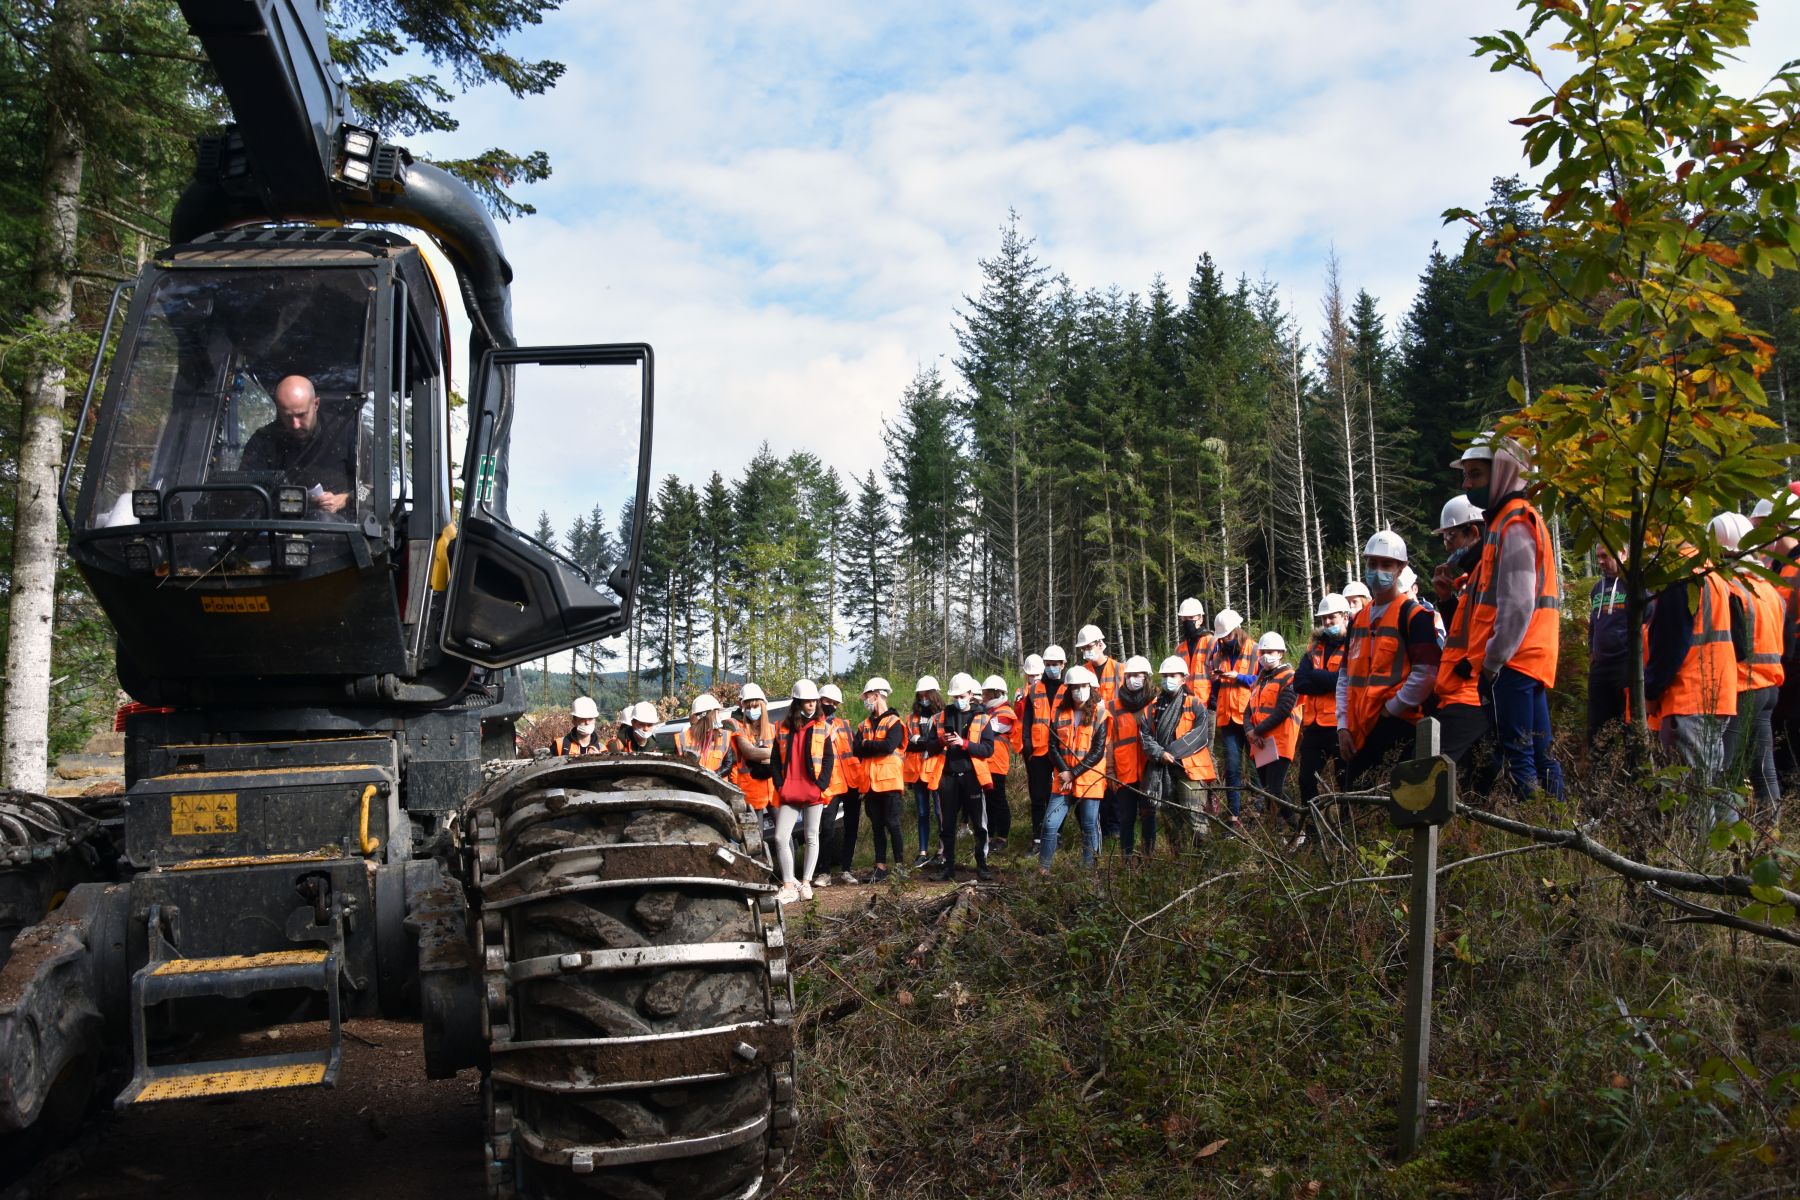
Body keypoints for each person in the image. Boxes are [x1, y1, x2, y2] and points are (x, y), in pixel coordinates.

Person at [1449, 435, 1561, 800]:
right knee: (1540, 753)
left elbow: (1516, 605)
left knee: (1518, 755)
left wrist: (1493, 661)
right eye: (1465, 477)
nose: (1467, 485)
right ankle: (1561, 825)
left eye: (1475, 476)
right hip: (1529, 657)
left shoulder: (1513, 525)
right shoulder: (1507, 521)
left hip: (1513, 660)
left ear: (1501, 474)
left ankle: (1537, 834)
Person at [1337, 530, 1444, 789]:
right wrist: (1342, 726)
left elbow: (1426, 674)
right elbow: (1344, 677)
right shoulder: (1358, 619)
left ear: (1401, 568)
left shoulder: (1415, 616)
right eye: (1372, 564)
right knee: (1355, 809)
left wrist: (1390, 709)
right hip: (1359, 730)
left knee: (1398, 807)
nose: (1378, 571)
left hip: (1399, 727)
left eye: (1386, 565)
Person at [1645, 539, 1740, 820]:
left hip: (1689, 696)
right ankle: (1729, 856)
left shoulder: (1681, 572)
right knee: (1709, 786)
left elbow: (1670, 643)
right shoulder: (1715, 572)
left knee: (1691, 797)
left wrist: (1651, 691)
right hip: (1718, 694)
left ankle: (1700, 862)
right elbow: (1741, 642)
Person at [1712, 512, 1783, 809]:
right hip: (1769, 688)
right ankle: (1771, 836)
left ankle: (1723, 844)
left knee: (1725, 770)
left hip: (1743, 688)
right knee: (1763, 767)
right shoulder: (1768, 587)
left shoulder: (1730, 589)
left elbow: (1732, 646)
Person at [238, 375, 359, 518]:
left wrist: (345, 499)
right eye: (287, 416)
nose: (295, 425)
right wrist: (300, 502)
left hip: (341, 533)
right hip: (276, 531)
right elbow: (246, 495)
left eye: (301, 415)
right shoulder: (264, 440)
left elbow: (372, 488)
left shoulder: (349, 432)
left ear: (316, 404)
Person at [922, 674, 997, 880]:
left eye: (961, 696)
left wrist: (964, 744)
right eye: (954, 696)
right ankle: (948, 867)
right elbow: (928, 746)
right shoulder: (941, 717)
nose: (957, 700)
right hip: (948, 777)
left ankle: (982, 865)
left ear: (971, 694)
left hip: (972, 777)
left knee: (979, 824)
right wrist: (942, 742)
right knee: (947, 825)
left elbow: (988, 749)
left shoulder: (982, 718)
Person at [769, 680, 836, 904]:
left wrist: (820, 785)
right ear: (797, 702)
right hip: (789, 790)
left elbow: (828, 759)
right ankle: (788, 885)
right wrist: (780, 784)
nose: (811, 704)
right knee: (780, 837)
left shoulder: (823, 727)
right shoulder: (782, 728)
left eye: (813, 701)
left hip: (813, 790)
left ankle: (806, 883)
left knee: (811, 836)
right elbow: (775, 760)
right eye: (806, 701)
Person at [1140, 656, 1217, 845]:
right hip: (1163, 771)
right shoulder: (1152, 707)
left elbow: (1200, 736)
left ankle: (1203, 860)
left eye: (1173, 675)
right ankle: (1179, 864)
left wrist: (1170, 753)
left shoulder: (1195, 704)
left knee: (1195, 817)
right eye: (1165, 676)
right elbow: (1145, 735)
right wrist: (1159, 754)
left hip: (1190, 771)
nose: (1168, 680)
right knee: (1171, 820)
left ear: (1184, 678)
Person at [1041, 665, 1107, 872]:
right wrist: (1064, 771)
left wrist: (1074, 773)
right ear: (1068, 689)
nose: (1079, 690)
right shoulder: (1060, 712)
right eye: (1075, 687)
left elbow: (1098, 751)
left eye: (1083, 686)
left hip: (1089, 779)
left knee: (1089, 826)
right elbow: (1052, 747)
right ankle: (1043, 870)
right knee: (1050, 825)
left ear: (1090, 687)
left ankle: (1089, 872)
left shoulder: (1100, 713)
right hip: (1063, 778)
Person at [1294, 595, 1349, 829]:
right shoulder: (1315, 647)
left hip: (1340, 725)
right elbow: (1299, 682)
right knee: (1306, 780)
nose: (1327, 622)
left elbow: (1347, 680)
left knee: (1345, 781)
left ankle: (1349, 828)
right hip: (1314, 726)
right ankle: (1314, 831)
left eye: (1332, 617)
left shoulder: (1353, 644)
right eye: (1324, 618)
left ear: (1345, 617)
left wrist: (1317, 677)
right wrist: (1326, 681)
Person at [1244, 632, 1301, 843]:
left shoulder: (1290, 677)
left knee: (1275, 789)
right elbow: (1248, 710)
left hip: (1280, 741)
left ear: (1281, 653)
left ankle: (1298, 829)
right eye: (1263, 652)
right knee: (1268, 791)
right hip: (1260, 744)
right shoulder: (1259, 679)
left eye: (1270, 652)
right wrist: (1249, 731)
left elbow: (1284, 709)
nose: (1266, 656)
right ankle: (1277, 836)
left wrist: (1255, 731)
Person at [853, 677, 907, 882]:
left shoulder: (894, 722)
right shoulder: (864, 724)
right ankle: (880, 867)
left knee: (893, 824)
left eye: (867, 696)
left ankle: (900, 866)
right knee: (877, 826)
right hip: (870, 783)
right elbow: (856, 748)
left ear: (876, 695)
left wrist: (867, 744)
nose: (865, 700)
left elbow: (888, 746)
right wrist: (869, 744)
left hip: (889, 782)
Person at [1207, 609, 1255, 828]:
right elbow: (1215, 688)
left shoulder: (1255, 650)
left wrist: (1240, 677)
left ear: (1237, 630)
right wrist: (1215, 679)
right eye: (1221, 637)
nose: (1224, 640)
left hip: (1252, 717)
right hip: (1227, 719)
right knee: (1232, 769)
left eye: (1227, 635)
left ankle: (1258, 812)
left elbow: (1263, 680)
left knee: (1256, 768)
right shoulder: (1218, 654)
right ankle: (1233, 817)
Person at [1110, 655, 1157, 857]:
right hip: (1124, 771)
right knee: (1126, 818)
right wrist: (1110, 769)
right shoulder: (1113, 706)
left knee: (1149, 816)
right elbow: (1109, 741)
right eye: (1128, 675)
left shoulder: (1157, 703)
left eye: (1136, 675)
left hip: (1150, 770)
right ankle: (1126, 860)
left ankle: (1149, 859)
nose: (1131, 679)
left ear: (1146, 677)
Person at [1019, 647, 1066, 849]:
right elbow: (1027, 721)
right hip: (1038, 751)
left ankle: (1057, 834)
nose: (1051, 668)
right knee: (1038, 796)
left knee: (1059, 794)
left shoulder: (1068, 688)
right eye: (1048, 664)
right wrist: (1027, 746)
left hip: (1061, 751)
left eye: (1055, 664)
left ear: (1063, 665)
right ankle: (1038, 837)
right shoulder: (1034, 690)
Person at [1586, 544, 1631, 742]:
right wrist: (1591, 651)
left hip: (1625, 667)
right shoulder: (1597, 589)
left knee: (1630, 730)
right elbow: (1593, 623)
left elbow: (1646, 622)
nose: (1601, 561)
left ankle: (1632, 771)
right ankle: (1600, 771)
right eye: (1598, 556)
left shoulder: (1633, 586)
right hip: (1600, 668)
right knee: (1598, 731)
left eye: (1605, 556)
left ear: (1623, 554)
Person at [818, 683, 860, 888]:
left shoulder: (843, 724)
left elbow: (854, 753)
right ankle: (824, 872)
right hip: (830, 785)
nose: (832, 706)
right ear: (819, 701)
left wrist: (861, 783)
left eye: (835, 703)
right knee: (826, 829)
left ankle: (847, 869)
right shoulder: (813, 726)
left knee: (851, 828)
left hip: (851, 783)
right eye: (828, 702)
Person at [905, 676, 946, 868]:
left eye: (926, 694)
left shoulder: (944, 716)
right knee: (922, 812)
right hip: (917, 770)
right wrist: (923, 743)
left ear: (934, 694)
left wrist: (920, 741)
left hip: (937, 768)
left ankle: (942, 849)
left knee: (940, 811)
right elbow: (907, 745)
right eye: (920, 695)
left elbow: (940, 743)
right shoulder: (911, 717)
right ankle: (922, 852)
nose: (923, 698)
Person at [1431, 495, 1486, 628]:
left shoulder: (1490, 573)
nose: (1447, 547)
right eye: (1444, 539)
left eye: (1451, 536)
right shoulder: (1474, 576)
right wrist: (1446, 600)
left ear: (1473, 533)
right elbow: (1463, 632)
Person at [729, 684, 777, 830]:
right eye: (748, 707)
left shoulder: (773, 728)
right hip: (751, 790)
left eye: (755, 706)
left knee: (784, 836)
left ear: (763, 706)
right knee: (757, 836)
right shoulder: (740, 731)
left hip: (773, 788)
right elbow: (751, 753)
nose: (752, 710)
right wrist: (777, 754)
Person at [978, 675, 1018, 851]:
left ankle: (1002, 838)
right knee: (989, 801)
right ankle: (992, 836)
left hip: (998, 764)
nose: (983, 697)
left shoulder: (1005, 713)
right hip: (987, 763)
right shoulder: (990, 711)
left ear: (995, 693)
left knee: (998, 801)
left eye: (985, 694)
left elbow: (986, 729)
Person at [674, 693, 733, 775]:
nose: (719, 716)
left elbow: (728, 765)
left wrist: (712, 776)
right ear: (705, 715)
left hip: (717, 786)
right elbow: (678, 769)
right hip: (690, 786)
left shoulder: (724, 736)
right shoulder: (682, 738)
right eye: (716, 713)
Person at [1173, 598, 1215, 706]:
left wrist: (1214, 701)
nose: (1188, 621)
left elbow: (1219, 673)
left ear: (1200, 619)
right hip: (1185, 705)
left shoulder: (1211, 641)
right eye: (1185, 618)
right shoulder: (1179, 650)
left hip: (1207, 705)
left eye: (1191, 617)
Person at [1075, 624, 1124, 703]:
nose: (1086, 651)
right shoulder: (1083, 671)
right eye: (1083, 648)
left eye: (1089, 647)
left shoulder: (1120, 669)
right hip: (1090, 714)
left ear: (1100, 645)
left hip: (1113, 714)